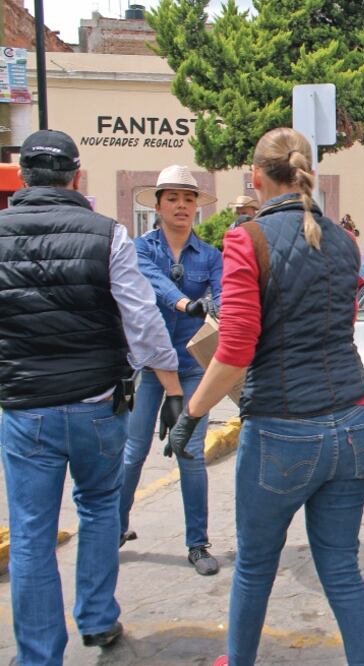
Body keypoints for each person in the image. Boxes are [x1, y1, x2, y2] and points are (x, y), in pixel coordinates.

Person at [166, 128, 364, 666]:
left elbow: (235, 350)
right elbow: (342, 327)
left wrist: (192, 415)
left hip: (285, 428)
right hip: (352, 423)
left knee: (256, 567)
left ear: (256, 177)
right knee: (342, 568)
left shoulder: (248, 240)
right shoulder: (344, 241)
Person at [0, 130, 183, 663]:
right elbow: (143, 320)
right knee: (100, 508)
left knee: (33, 532)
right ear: (76, 177)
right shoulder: (109, 235)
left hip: (25, 407)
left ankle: (38, 654)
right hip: (97, 403)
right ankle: (99, 619)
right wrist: (170, 383)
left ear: (24, 178)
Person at [117, 165, 224, 576]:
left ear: (196, 207)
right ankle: (117, 528)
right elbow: (154, 285)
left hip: (195, 366)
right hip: (150, 365)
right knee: (133, 453)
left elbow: (224, 292)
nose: (181, 205)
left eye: (189, 198)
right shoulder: (141, 249)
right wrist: (188, 304)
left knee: (190, 454)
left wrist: (218, 307)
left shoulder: (211, 255)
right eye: (173, 198)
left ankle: (198, 544)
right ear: (158, 204)